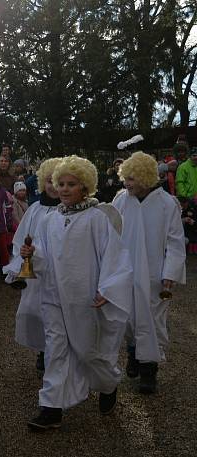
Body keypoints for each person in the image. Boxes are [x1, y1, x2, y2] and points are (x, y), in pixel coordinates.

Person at [22, 156, 132, 431]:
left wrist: (107, 288)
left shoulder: (96, 220)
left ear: (85, 187)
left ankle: (107, 383)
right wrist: (31, 257)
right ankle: (51, 407)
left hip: (85, 299)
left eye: (72, 184)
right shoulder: (49, 221)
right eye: (61, 183)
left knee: (88, 351)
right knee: (55, 349)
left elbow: (114, 257)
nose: (64, 189)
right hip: (53, 296)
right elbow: (44, 258)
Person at [114, 152, 187, 394]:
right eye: (126, 177)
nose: (127, 183)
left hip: (155, 274)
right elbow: (110, 233)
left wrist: (171, 272)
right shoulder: (121, 200)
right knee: (128, 318)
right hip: (126, 270)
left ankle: (149, 371)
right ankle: (134, 353)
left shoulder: (167, 204)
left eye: (132, 178)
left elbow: (176, 242)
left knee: (153, 320)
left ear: (146, 177)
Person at [4, 157, 62, 375]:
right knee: (34, 312)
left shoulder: (69, 212)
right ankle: (42, 349)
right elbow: (21, 240)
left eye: (59, 182)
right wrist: (19, 265)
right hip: (36, 275)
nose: (54, 187)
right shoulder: (35, 209)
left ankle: (55, 354)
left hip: (59, 273)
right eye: (49, 181)